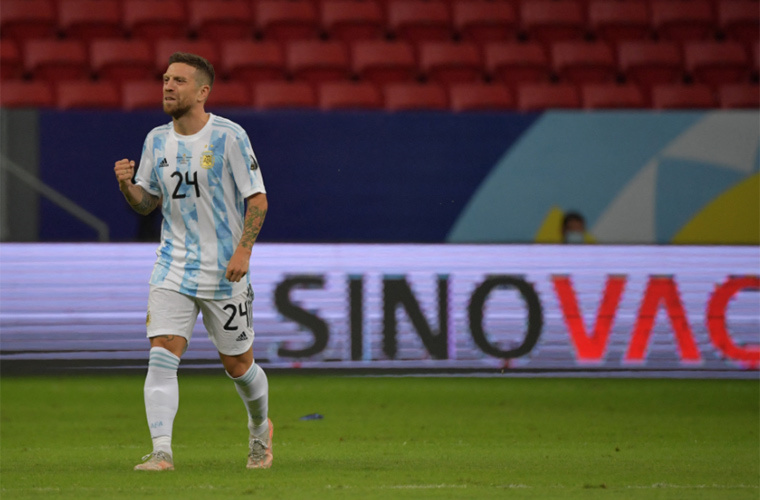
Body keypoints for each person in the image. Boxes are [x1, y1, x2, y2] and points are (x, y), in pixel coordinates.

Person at [114, 52, 271, 471]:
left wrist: (244, 250)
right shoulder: (155, 140)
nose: (168, 86)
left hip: (224, 271)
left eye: (179, 81)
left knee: (238, 365)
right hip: (173, 266)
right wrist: (128, 187)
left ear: (203, 92)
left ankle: (260, 430)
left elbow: (257, 198)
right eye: (166, 79)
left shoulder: (229, 136)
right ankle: (161, 451)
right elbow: (149, 203)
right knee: (162, 354)